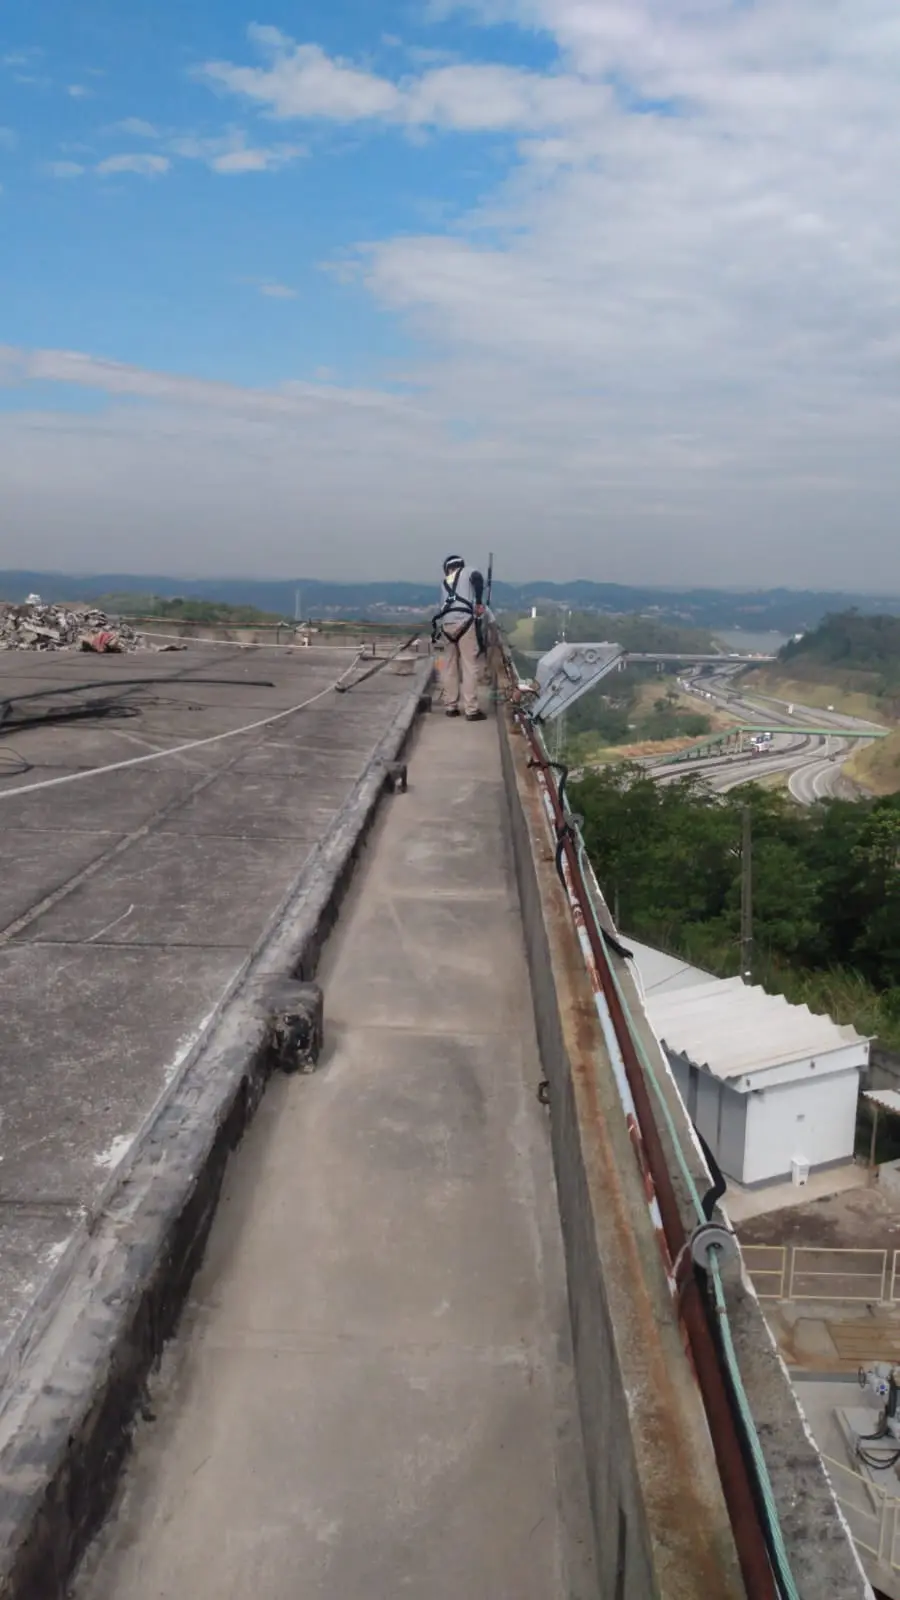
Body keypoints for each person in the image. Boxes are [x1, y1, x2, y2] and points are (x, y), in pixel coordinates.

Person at [432, 554, 487, 721]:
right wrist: (479, 602)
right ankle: (471, 710)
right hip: (465, 623)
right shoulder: (468, 571)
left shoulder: (444, 582)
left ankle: (451, 707)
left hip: (446, 626)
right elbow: (478, 578)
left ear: (447, 568)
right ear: (461, 565)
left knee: (448, 668)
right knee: (469, 666)